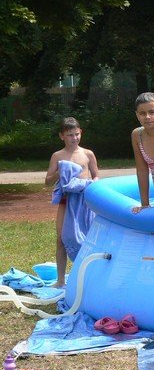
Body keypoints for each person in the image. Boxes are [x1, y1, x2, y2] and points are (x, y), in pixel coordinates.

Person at [44, 117, 99, 287]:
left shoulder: (88, 154)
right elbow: (47, 181)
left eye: (76, 134)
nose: (74, 138)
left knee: (89, 238)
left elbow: (96, 176)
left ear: (81, 132)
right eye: (69, 135)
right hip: (66, 201)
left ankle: (91, 278)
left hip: (85, 201)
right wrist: (60, 171)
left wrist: (90, 185)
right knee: (61, 239)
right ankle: (60, 280)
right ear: (61, 136)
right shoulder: (58, 156)